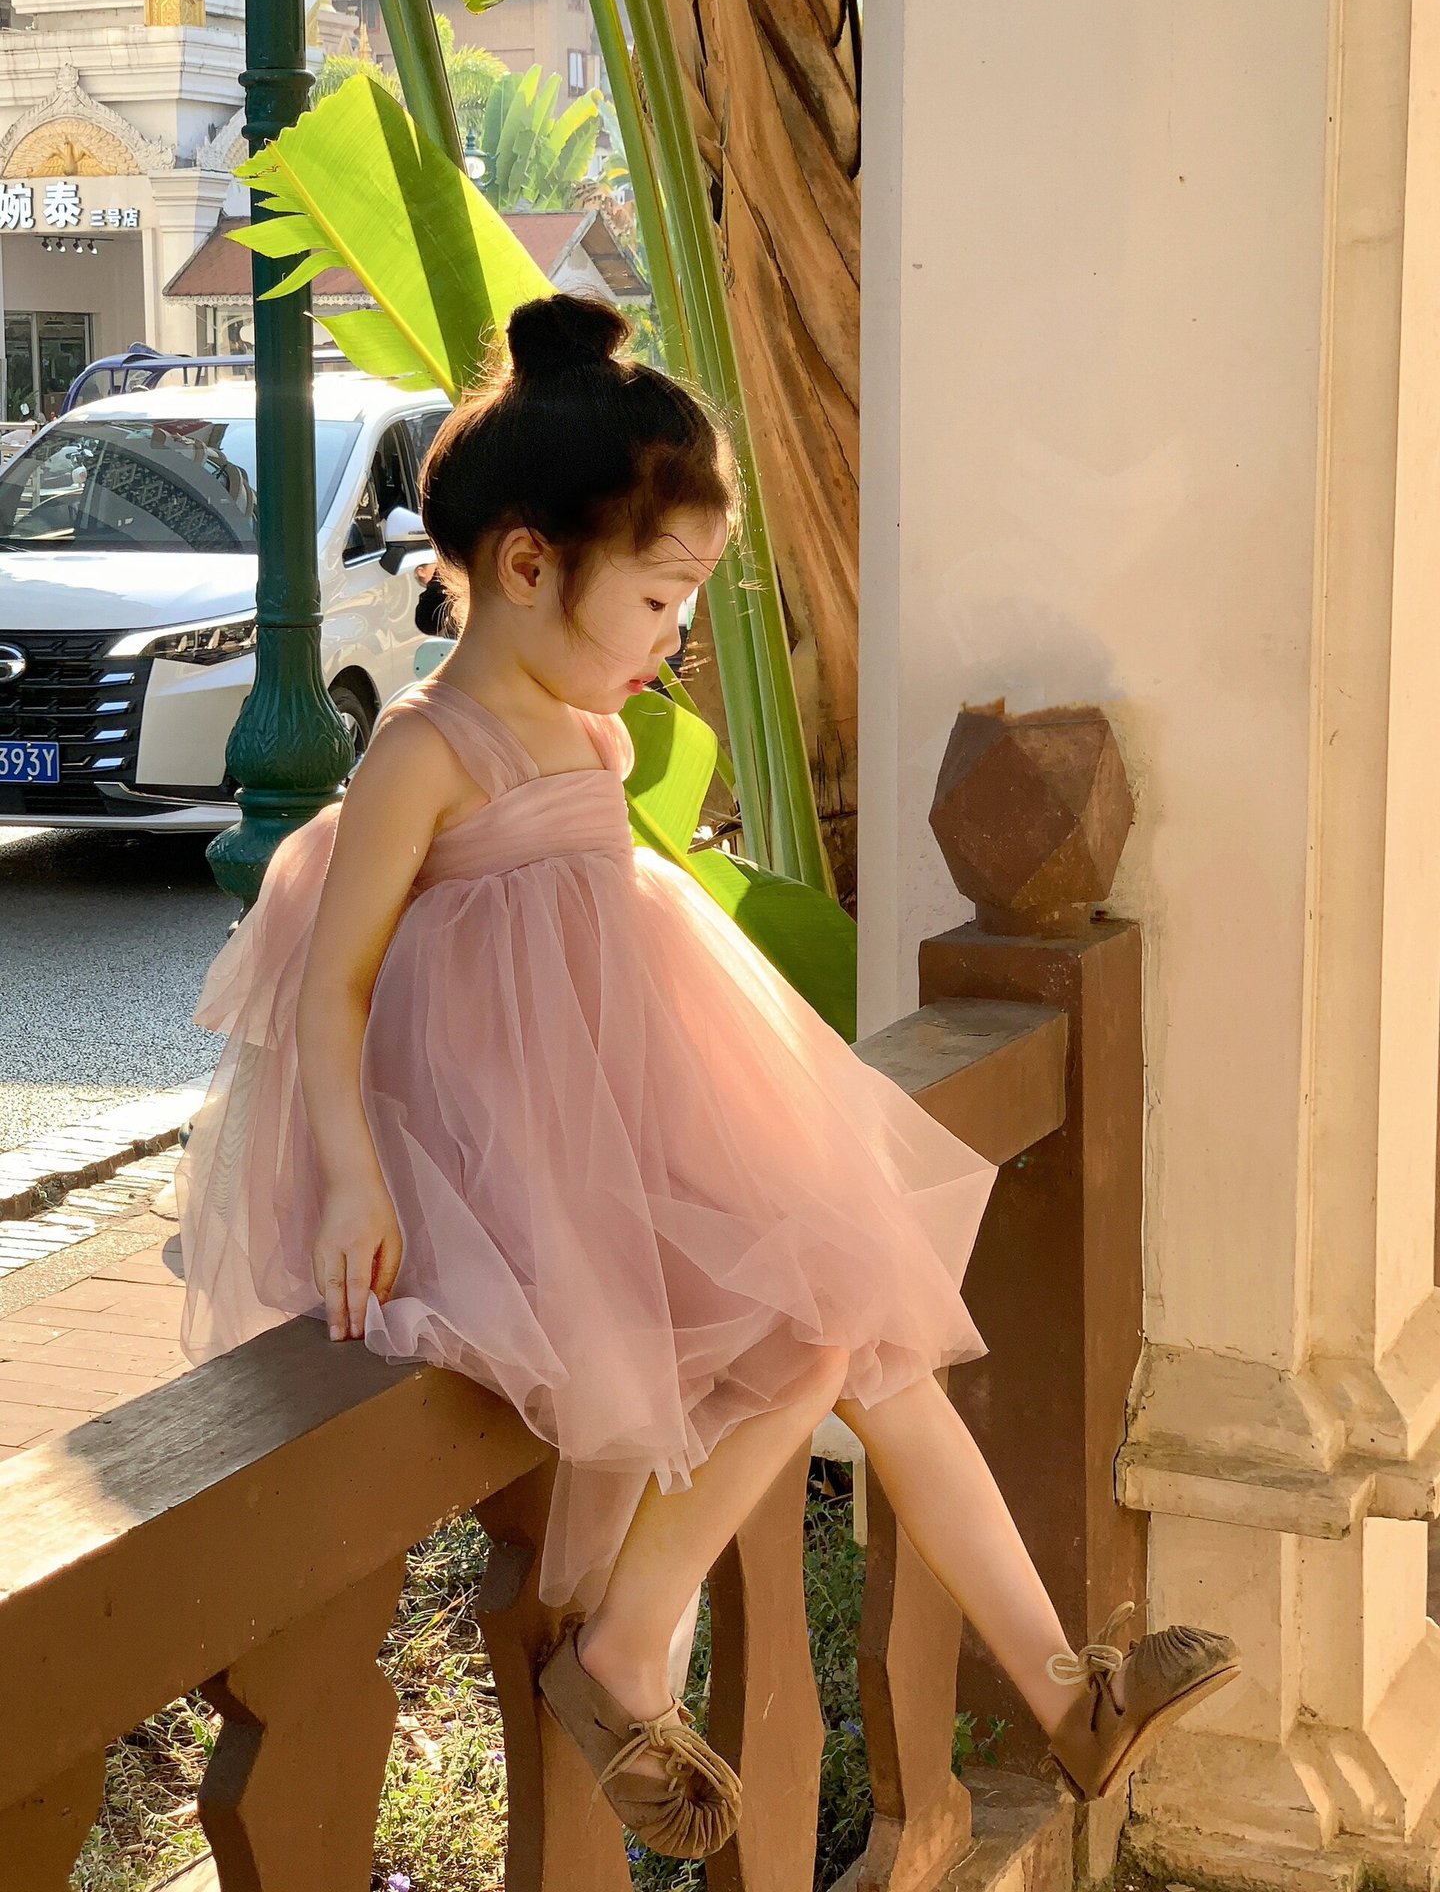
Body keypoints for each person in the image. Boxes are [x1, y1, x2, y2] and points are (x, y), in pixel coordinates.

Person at [175, 293, 1239, 1862]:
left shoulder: (587, 735)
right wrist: (352, 1177)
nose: (678, 635)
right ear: (526, 567)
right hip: (503, 1173)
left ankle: (1064, 1693)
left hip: (618, 1140)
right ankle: (624, 1653)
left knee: (866, 1330)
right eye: (662, 597)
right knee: (826, 1317)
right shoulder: (427, 749)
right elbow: (332, 989)